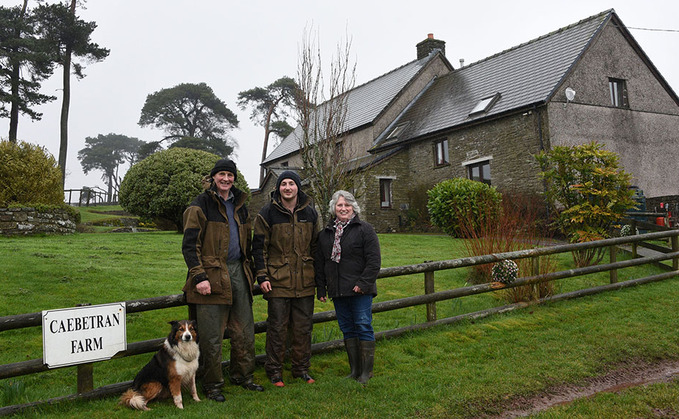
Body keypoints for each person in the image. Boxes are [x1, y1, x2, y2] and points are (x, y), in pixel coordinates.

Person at [181, 158, 264, 402]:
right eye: (221, 175)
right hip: (210, 274)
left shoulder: (241, 205)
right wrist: (199, 277)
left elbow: (248, 244)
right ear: (213, 177)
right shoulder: (200, 205)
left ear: (234, 178)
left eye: (230, 175)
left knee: (244, 330)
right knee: (211, 336)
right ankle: (213, 384)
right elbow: (189, 245)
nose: (226, 179)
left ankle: (243, 376)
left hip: (238, 272)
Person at [252, 170, 319, 387]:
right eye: (283, 184)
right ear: (278, 188)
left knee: (303, 328)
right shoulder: (267, 213)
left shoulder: (310, 213)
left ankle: (301, 369)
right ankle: (274, 371)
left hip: (305, 281)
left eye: (291, 183)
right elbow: (258, 247)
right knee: (277, 329)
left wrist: (320, 279)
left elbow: (317, 247)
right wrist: (262, 276)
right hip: (277, 280)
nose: (287, 187)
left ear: (298, 187)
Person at [315, 190, 381, 384]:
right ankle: (354, 370)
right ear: (333, 209)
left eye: (347, 205)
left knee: (362, 325)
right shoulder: (326, 234)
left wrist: (362, 284)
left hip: (360, 290)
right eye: (339, 205)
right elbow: (321, 263)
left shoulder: (364, 229)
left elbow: (374, 261)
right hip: (338, 290)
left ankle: (366, 372)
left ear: (353, 207)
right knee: (347, 328)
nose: (343, 208)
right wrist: (321, 288)